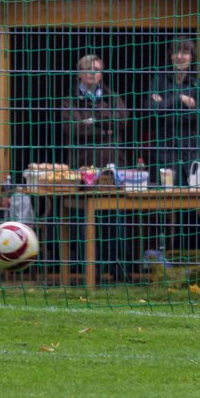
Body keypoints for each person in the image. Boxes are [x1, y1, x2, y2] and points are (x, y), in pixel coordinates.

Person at [146, 38, 200, 272]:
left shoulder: (199, 84)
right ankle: (162, 262)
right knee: (162, 211)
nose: (180, 57)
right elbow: (151, 112)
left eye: (185, 53)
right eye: (176, 52)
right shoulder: (159, 80)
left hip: (193, 155)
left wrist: (167, 107)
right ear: (170, 56)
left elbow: (199, 115)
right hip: (164, 155)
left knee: (194, 211)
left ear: (191, 57)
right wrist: (180, 101)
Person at [59, 53, 129, 281]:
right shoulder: (69, 99)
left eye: (97, 69)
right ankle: (90, 273)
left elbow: (122, 119)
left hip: (111, 171)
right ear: (80, 73)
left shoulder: (111, 96)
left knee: (115, 220)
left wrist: (92, 122)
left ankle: (118, 272)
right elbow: (73, 128)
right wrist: (103, 126)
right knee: (84, 222)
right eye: (88, 69)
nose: (93, 74)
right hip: (82, 170)